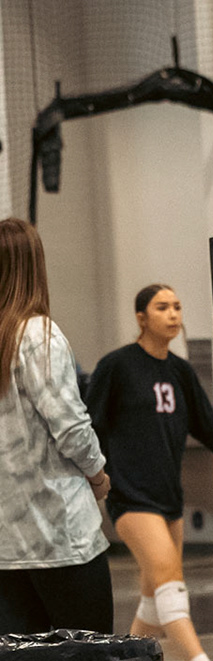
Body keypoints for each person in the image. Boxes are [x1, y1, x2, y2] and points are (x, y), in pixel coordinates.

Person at [85, 283, 213, 661]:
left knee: (156, 597)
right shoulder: (117, 366)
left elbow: (208, 428)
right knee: (171, 580)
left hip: (169, 497)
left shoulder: (179, 371)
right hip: (130, 497)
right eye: (161, 307)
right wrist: (94, 478)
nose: (173, 314)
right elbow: (89, 425)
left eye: (177, 306)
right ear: (141, 317)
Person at [0, 218, 114, 634]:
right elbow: (70, 428)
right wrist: (98, 475)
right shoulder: (37, 335)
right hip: (61, 540)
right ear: (34, 267)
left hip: (7, 545)